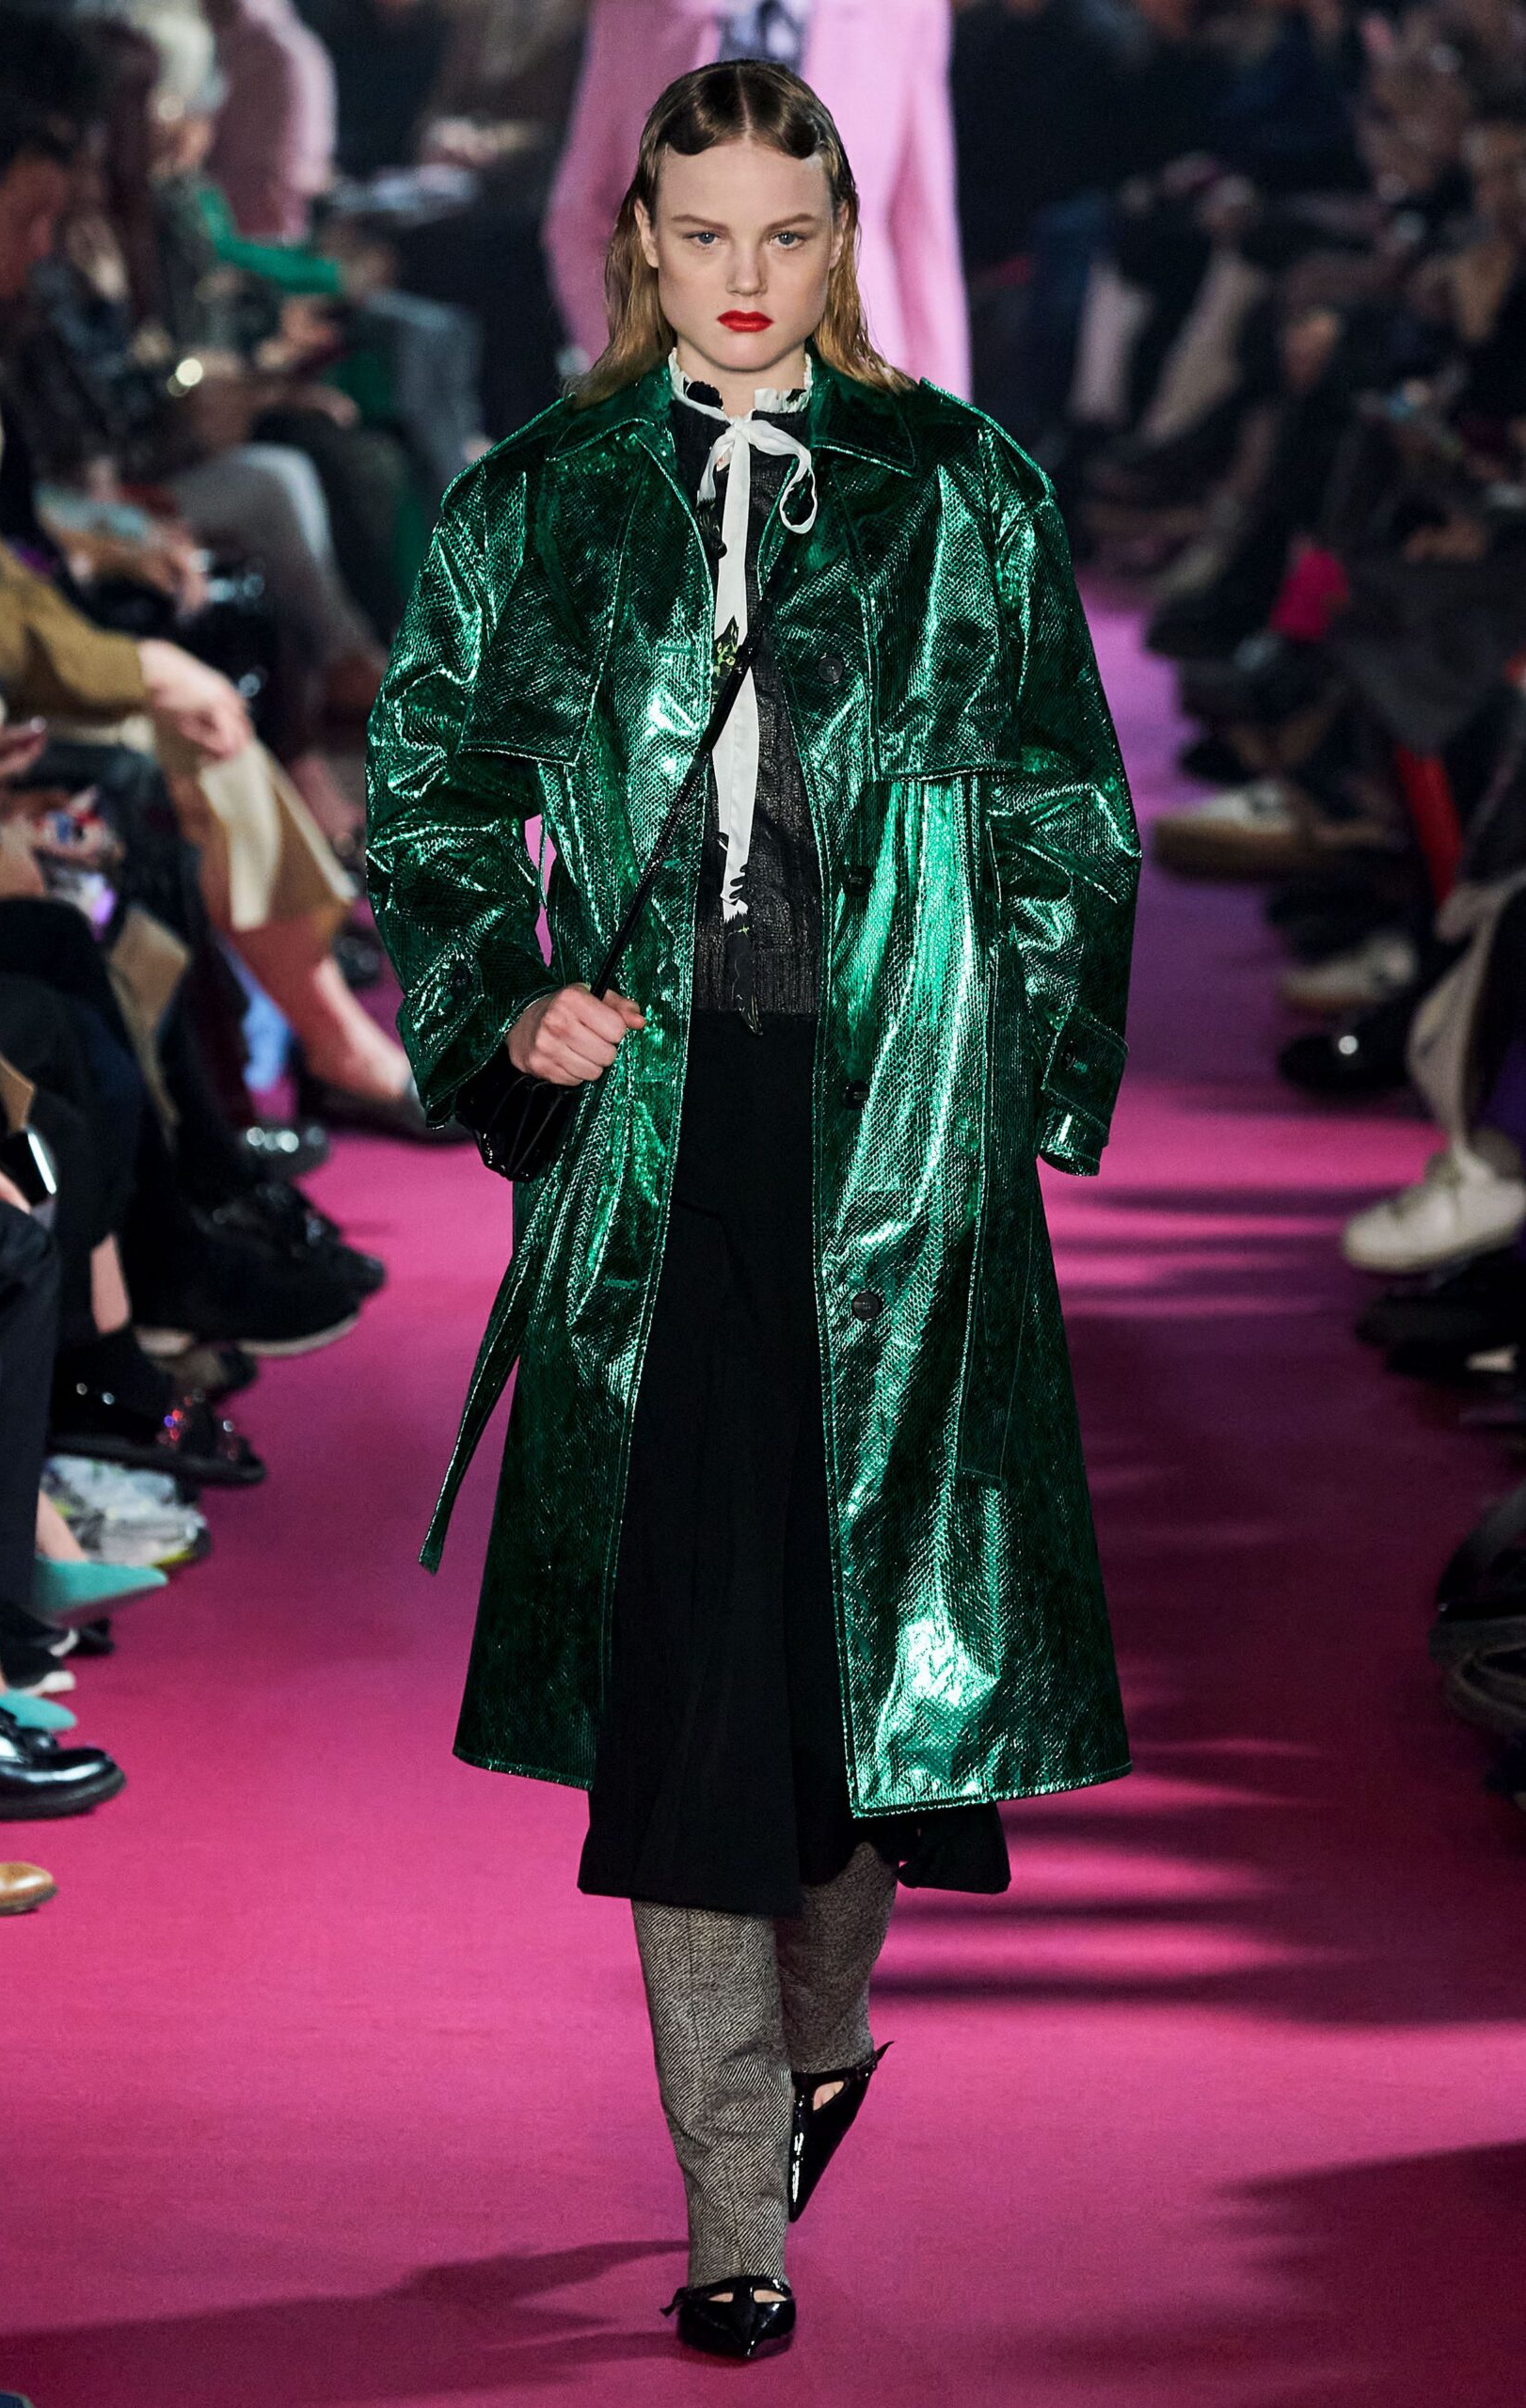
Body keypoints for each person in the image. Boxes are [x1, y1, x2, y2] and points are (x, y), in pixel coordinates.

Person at [366, 59, 1138, 2361]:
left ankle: (820, 2026)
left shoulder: (959, 489)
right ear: (637, 239)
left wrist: (1010, 1083)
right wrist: (504, 1001)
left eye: (780, 234)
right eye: (697, 232)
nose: (738, 275)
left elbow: (1063, 803)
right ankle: (732, 2210)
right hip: (653, 1151)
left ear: (835, 240)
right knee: (690, 1683)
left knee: (856, 1681)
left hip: (891, 1144)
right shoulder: (533, 502)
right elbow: (427, 794)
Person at [545, 0, 971, 393]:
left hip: (856, 389)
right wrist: (630, 366)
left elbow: (924, 233)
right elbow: (581, 215)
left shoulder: (905, 10)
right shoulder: (636, 10)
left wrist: (944, 426)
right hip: (681, 392)